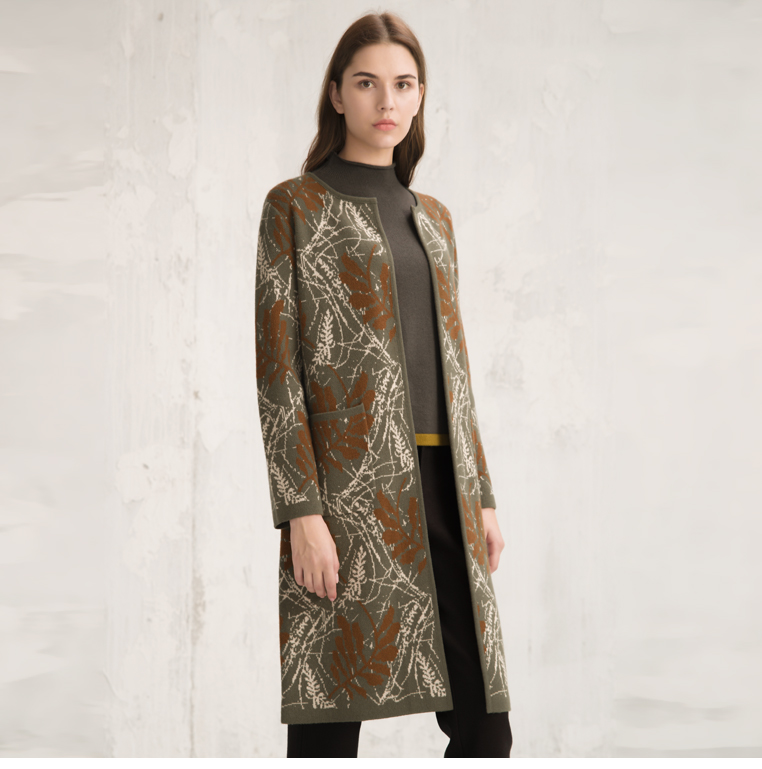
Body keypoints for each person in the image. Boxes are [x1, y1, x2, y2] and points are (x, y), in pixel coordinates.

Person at [255, 11, 512, 759]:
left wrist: (483, 493)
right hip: (348, 490)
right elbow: (277, 371)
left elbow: (455, 366)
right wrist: (300, 513)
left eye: (403, 84)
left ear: (420, 95)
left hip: (445, 485)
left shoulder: (435, 219)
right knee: (329, 722)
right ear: (337, 94)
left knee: (485, 727)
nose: (386, 101)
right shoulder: (294, 206)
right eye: (367, 83)